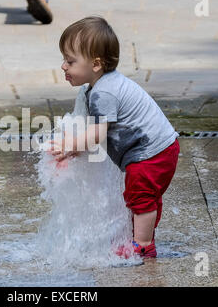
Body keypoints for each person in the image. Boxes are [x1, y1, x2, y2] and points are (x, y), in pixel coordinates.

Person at [49, 16, 180, 258]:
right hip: (161, 149)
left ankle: (142, 245)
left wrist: (69, 146)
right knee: (144, 196)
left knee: (140, 195)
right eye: (63, 60)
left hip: (150, 153)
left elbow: (97, 133)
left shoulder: (104, 93)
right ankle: (140, 235)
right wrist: (78, 148)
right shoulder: (101, 86)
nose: (63, 67)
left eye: (70, 61)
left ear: (96, 64)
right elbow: (96, 131)